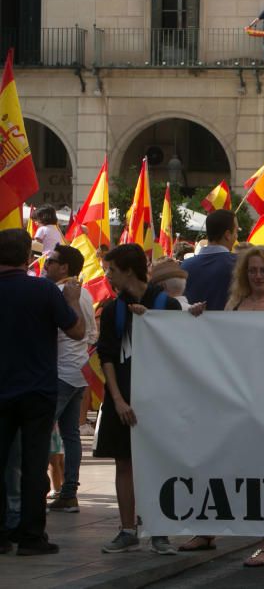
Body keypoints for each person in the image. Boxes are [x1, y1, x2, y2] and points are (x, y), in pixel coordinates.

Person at [180, 246, 264, 566]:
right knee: (219, 464)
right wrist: (198, 319)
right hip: (232, 400)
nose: (257, 276)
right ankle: (207, 531)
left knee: (263, 473)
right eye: (252, 270)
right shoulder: (234, 306)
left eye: (263, 271)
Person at [0, 229, 85, 556]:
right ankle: (31, 536)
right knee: (35, 464)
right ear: (26, 258)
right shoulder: (44, 291)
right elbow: (76, 331)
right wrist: (73, 302)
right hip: (37, 390)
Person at [95, 244, 182, 555]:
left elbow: (179, 351)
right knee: (124, 462)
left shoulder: (166, 305)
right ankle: (127, 529)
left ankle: (159, 530)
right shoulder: (111, 309)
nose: (107, 275)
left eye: (112, 270)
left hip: (160, 399)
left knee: (159, 463)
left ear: (128, 271)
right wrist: (117, 400)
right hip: (123, 398)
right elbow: (106, 356)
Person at [43, 245, 98, 515]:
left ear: (64, 267)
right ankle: (69, 493)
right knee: (70, 435)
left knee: (40, 432)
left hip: (60, 373)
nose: (45, 264)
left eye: (51, 261)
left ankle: (35, 489)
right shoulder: (85, 294)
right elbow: (91, 335)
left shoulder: (58, 293)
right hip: (78, 371)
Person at [181, 210, 238, 311]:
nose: (236, 237)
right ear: (228, 234)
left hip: (192, 326)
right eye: (236, 231)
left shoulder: (185, 266)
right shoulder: (239, 264)